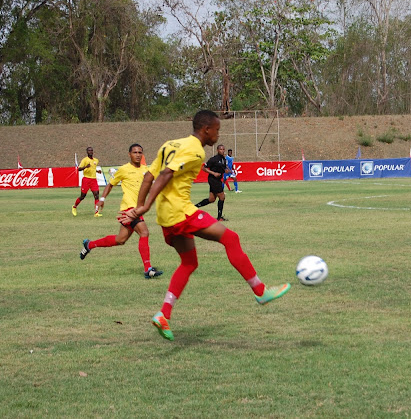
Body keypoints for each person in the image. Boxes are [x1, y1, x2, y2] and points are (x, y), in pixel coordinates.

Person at [121, 110, 290, 341]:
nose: (218, 136)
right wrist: (144, 207)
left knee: (189, 262)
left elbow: (149, 176)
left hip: (166, 217)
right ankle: (260, 291)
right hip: (180, 213)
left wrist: (139, 206)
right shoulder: (195, 150)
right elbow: (165, 175)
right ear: (206, 129)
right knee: (231, 238)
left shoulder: (170, 144)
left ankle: (164, 314)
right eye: (217, 130)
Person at [79, 144, 163, 279]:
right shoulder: (123, 169)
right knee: (144, 232)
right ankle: (148, 269)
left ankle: (89, 244)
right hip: (128, 209)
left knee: (120, 240)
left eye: (140, 152)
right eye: (135, 152)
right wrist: (102, 199)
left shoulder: (146, 170)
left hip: (138, 209)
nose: (137, 154)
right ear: (129, 154)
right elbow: (110, 184)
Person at [195, 144, 229, 221]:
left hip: (218, 180)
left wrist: (225, 170)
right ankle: (219, 217)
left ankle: (194, 207)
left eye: (223, 149)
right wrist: (214, 173)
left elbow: (222, 168)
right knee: (222, 197)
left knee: (211, 199)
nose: (222, 150)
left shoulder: (223, 159)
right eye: (221, 149)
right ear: (217, 150)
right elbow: (204, 168)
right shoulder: (214, 159)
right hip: (213, 179)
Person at [72, 147, 103, 217]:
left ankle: (96, 213)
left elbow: (92, 168)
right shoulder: (85, 160)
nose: (90, 151)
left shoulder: (96, 160)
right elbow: (79, 169)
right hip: (86, 179)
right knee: (83, 196)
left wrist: (97, 171)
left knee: (96, 195)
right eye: (89, 150)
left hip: (93, 180)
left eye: (91, 150)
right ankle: (74, 207)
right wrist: (85, 166)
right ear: (87, 152)